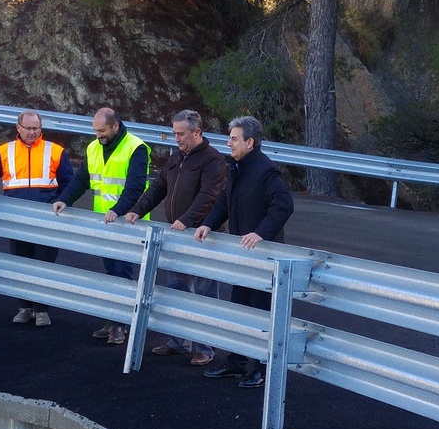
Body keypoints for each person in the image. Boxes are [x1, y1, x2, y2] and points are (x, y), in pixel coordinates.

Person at [195, 114, 293, 387]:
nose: (229, 143)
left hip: (263, 256)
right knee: (239, 309)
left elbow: (283, 206)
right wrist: (208, 225)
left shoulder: (266, 171)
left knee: (261, 313)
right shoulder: (237, 168)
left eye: (234, 139)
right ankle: (237, 362)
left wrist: (260, 233)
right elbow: (225, 202)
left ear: (250, 142)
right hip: (243, 255)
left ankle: (261, 367)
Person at [125, 108, 225, 367]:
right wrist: (137, 209)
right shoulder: (176, 158)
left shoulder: (213, 161)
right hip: (178, 233)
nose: (176, 139)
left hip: (203, 236)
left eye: (181, 134)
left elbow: (209, 196)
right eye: (174, 134)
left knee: (204, 292)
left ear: (197, 132)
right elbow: (158, 187)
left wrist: (187, 220)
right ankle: (179, 341)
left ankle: (206, 346)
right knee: (177, 289)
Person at [0, 109, 74, 326]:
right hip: (16, 220)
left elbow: (70, 183)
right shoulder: (5, 152)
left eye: (35, 128)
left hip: (46, 220)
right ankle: (24, 308)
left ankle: (42, 311)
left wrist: (62, 201)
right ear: (18, 128)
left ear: (41, 128)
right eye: (27, 128)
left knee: (44, 265)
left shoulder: (54, 151)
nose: (32, 132)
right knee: (19, 263)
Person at [53, 106, 150, 344]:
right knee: (110, 271)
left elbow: (135, 187)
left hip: (128, 221)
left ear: (116, 125)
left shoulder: (136, 148)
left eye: (103, 130)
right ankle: (112, 319)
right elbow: (82, 179)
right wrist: (64, 199)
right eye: (96, 131)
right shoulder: (93, 147)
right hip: (104, 222)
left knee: (122, 273)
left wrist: (118, 210)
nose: (99, 135)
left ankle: (121, 324)